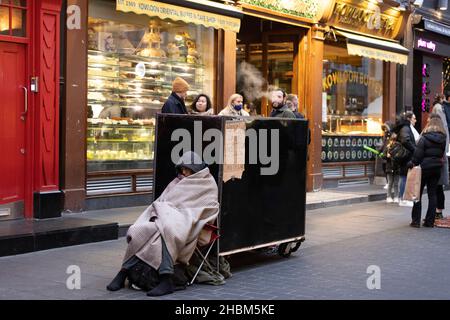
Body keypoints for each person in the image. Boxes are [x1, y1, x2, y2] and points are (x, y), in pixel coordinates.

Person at [106, 151, 219, 296]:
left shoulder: (207, 183)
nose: (183, 172)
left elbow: (207, 208)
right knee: (138, 229)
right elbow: (162, 200)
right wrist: (163, 211)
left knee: (168, 229)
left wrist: (176, 214)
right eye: (181, 169)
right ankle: (123, 272)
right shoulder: (177, 181)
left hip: (190, 222)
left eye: (187, 169)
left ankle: (166, 279)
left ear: (196, 169)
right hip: (165, 216)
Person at [407, 116, 446, 228]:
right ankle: (429, 222)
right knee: (432, 194)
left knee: (417, 193)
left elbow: (418, 155)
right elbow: (441, 154)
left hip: (424, 168)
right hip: (437, 168)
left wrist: (412, 163)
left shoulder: (424, 138)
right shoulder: (443, 138)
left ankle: (415, 221)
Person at [431, 95, 449, 219]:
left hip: (435, 161)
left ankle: (435, 212)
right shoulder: (442, 109)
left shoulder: (438, 108)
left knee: (435, 188)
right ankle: (438, 211)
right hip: (440, 159)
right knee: (438, 187)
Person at [395, 112, 417, 207]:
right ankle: (402, 199)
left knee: (405, 177)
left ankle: (403, 198)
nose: (415, 120)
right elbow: (405, 140)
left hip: (405, 156)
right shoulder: (406, 128)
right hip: (405, 157)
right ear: (409, 119)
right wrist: (415, 149)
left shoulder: (406, 128)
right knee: (404, 177)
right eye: (414, 118)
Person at [380, 121, 400, 203]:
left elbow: (401, 155)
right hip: (389, 166)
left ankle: (396, 196)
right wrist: (385, 155)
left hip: (396, 167)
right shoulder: (387, 144)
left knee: (395, 183)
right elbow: (384, 153)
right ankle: (389, 196)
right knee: (390, 182)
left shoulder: (398, 146)